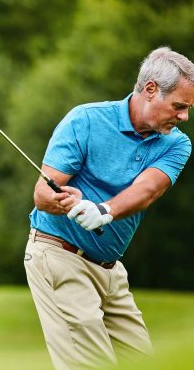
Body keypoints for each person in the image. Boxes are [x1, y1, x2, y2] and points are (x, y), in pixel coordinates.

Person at [24, 46, 194, 369]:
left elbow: (147, 190)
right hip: (59, 254)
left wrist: (103, 210)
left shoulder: (176, 143)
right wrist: (62, 202)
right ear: (150, 90)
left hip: (110, 269)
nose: (184, 116)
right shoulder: (86, 120)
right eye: (179, 107)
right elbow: (42, 194)